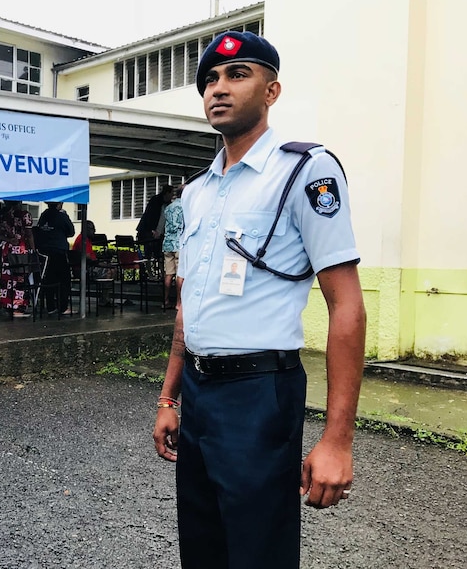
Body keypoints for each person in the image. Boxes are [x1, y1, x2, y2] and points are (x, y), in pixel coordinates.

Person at [151, 31, 366, 569]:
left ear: (271, 91)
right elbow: (189, 303)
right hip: (198, 392)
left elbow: (347, 306)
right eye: (210, 80)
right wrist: (169, 397)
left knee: (257, 552)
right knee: (203, 547)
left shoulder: (303, 171)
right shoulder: (197, 191)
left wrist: (337, 439)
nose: (218, 89)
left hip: (258, 392)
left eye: (237, 74)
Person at [34, 201, 75, 314]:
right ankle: (63, 307)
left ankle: (51, 306)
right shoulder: (62, 216)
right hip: (58, 250)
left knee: (49, 280)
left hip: (44, 252)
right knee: (64, 280)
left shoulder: (43, 215)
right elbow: (71, 232)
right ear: (59, 204)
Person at [0, 200, 34, 318]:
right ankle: (19, 307)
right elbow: (29, 233)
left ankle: (7, 305)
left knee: (7, 278)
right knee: (21, 277)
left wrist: (9, 240)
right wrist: (33, 249)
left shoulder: (2, 215)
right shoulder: (24, 214)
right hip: (21, 249)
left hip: (7, 249)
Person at [72, 220, 115, 306]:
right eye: (92, 229)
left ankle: (104, 298)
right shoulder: (83, 240)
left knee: (109, 269)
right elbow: (88, 258)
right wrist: (101, 264)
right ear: (86, 229)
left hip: (84, 267)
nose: (94, 231)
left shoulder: (83, 238)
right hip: (84, 269)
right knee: (110, 271)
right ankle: (104, 300)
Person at [160, 186, 184, 310]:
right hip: (179, 243)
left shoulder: (168, 207)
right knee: (180, 274)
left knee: (168, 273)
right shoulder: (185, 207)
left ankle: (165, 300)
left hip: (167, 243)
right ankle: (179, 303)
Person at [136, 184, 174, 259]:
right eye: (171, 193)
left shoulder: (169, 204)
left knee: (159, 254)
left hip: (160, 233)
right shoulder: (155, 201)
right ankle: (149, 269)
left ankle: (160, 269)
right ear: (167, 193)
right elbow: (149, 216)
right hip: (149, 231)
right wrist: (152, 230)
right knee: (148, 253)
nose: (172, 195)